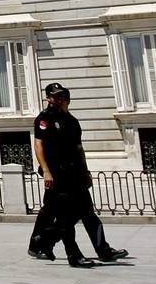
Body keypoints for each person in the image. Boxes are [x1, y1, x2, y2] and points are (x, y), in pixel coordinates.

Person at [27, 83, 128, 267]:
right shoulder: (44, 119)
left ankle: (102, 250)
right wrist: (47, 172)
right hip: (57, 175)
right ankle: (70, 254)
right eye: (56, 96)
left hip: (75, 173)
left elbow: (79, 149)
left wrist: (86, 171)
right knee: (63, 215)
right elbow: (38, 146)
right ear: (48, 98)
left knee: (87, 212)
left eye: (63, 96)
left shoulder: (72, 121)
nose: (60, 99)